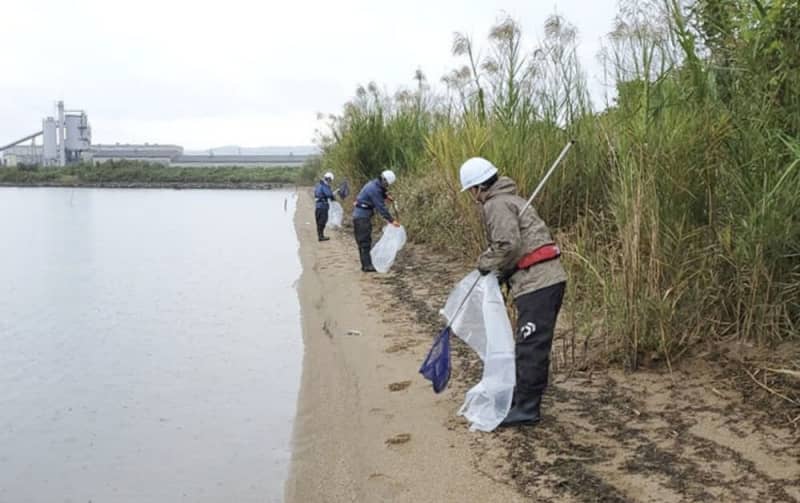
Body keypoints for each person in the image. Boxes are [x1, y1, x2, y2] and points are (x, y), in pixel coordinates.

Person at [459, 157, 567, 426]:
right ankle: (524, 398)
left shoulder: (495, 204)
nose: (473, 198)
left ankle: (527, 409)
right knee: (530, 343)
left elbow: (507, 245)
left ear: (477, 188)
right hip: (542, 281)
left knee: (530, 346)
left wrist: (484, 265)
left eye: (471, 192)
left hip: (538, 282)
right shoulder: (512, 200)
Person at [352, 169, 399, 272]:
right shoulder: (374, 189)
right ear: (384, 181)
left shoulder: (374, 184)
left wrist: (386, 196)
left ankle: (366, 264)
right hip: (361, 217)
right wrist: (391, 221)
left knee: (364, 240)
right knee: (364, 241)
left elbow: (380, 191)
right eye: (387, 184)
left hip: (361, 215)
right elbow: (381, 207)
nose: (387, 187)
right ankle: (367, 266)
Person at [313, 172, 337, 241]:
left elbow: (319, 194)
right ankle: (321, 237)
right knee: (322, 221)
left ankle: (320, 236)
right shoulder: (324, 186)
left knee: (319, 221)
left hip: (318, 206)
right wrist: (334, 195)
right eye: (331, 180)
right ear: (329, 179)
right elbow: (329, 195)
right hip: (323, 206)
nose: (330, 182)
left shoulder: (318, 185)